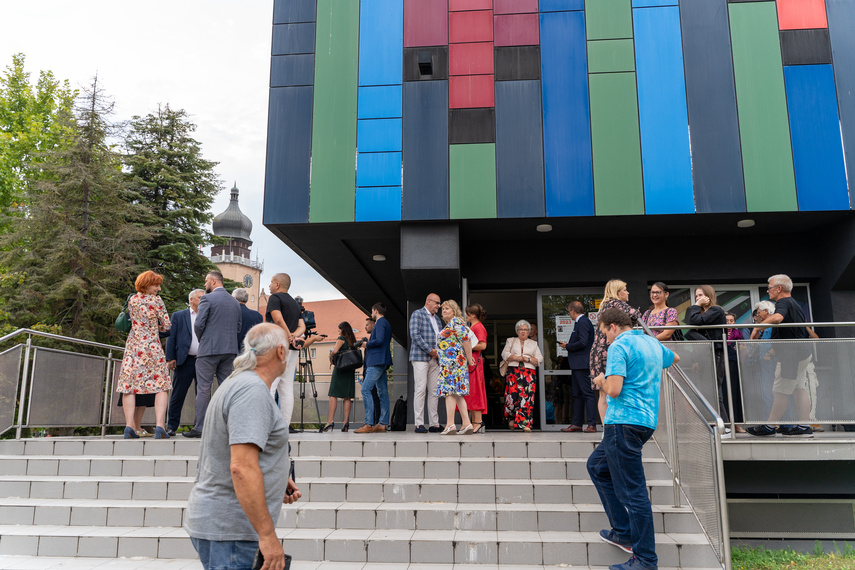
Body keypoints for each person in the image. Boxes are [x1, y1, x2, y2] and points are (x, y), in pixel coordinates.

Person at [184, 323, 301, 570]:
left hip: (226, 527)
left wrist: (276, 478)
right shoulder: (251, 391)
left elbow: (239, 454)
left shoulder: (238, 382)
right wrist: (268, 536)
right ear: (281, 352)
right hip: (233, 532)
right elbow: (241, 467)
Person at [588, 307, 678, 570]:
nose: (604, 339)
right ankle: (623, 531)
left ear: (613, 327)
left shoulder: (620, 346)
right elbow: (675, 358)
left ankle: (645, 559)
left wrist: (601, 380)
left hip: (622, 423)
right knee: (596, 467)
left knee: (634, 494)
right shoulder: (651, 342)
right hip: (645, 422)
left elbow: (614, 390)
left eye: (604, 332)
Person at [747, 274, 814, 438]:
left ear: (779, 288)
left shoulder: (783, 302)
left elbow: (777, 318)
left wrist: (756, 328)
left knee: (780, 391)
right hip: (800, 353)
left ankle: (769, 427)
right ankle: (804, 426)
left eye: (769, 287)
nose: (767, 290)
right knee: (799, 389)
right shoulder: (794, 304)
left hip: (791, 356)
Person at [184, 271, 242, 438]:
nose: (205, 284)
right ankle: (228, 427)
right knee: (227, 389)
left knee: (203, 388)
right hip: (229, 350)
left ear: (214, 281)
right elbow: (238, 327)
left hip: (208, 350)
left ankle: (200, 427)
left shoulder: (207, 299)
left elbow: (199, 324)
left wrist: (204, 341)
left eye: (206, 280)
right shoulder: (234, 302)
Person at [117, 270, 172, 439]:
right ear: (147, 285)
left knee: (129, 386)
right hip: (152, 347)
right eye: (156, 285)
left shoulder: (132, 299)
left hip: (133, 347)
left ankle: (129, 427)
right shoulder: (156, 301)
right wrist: (157, 328)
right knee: (161, 385)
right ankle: (160, 426)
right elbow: (167, 325)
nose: (158, 289)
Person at [590, 280, 641, 422]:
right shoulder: (618, 304)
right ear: (618, 292)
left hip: (596, 353)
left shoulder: (604, 306)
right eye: (625, 289)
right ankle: (617, 426)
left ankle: (606, 430)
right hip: (610, 349)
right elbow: (637, 316)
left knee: (602, 394)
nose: (628, 292)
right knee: (616, 389)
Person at [685, 285, 730, 424]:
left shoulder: (716, 310)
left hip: (716, 353)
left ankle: (724, 424)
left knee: (714, 390)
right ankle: (715, 422)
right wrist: (695, 360)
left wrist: (696, 306)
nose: (698, 299)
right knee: (706, 389)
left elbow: (695, 321)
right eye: (696, 296)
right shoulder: (700, 313)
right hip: (704, 354)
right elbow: (688, 321)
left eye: (700, 295)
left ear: (708, 297)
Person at [266, 273, 306, 428]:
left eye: (271, 282)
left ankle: (268, 425)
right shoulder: (295, 303)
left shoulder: (275, 299)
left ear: (277, 284)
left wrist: (287, 335)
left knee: (270, 385)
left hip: (277, 346)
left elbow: (277, 319)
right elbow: (302, 326)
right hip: (292, 349)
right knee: (286, 387)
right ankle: (284, 425)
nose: (269, 285)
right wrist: (293, 336)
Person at [165, 289, 204, 437]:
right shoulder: (179, 316)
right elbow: (171, 337)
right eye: (200, 298)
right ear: (192, 300)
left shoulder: (207, 316)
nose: (203, 300)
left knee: (202, 395)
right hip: (184, 360)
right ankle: (172, 426)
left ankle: (199, 427)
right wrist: (170, 357)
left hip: (203, 361)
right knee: (177, 395)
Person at [437, 300, 475, 435]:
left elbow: (466, 339)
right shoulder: (451, 324)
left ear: (454, 310)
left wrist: (470, 358)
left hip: (453, 364)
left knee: (450, 393)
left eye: (447, 308)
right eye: (443, 309)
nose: (444, 311)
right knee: (457, 395)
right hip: (450, 364)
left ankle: (450, 424)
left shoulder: (456, 322)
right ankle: (466, 423)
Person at [409, 293, 444, 434]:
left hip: (435, 359)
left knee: (434, 392)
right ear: (428, 301)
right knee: (420, 390)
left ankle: (434, 424)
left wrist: (438, 353)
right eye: (437, 303)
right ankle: (419, 424)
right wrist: (430, 350)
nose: (439, 306)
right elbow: (415, 335)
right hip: (420, 357)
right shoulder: (417, 314)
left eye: (439, 303)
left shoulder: (437, 319)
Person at [560, 301, 597, 433]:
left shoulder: (583, 322)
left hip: (582, 364)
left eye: (569, 311)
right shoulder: (581, 322)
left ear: (572, 310)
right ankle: (577, 423)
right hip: (577, 365)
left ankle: (592, 424)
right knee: (577, 394)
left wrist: (567, 346)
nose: (569, 314)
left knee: (587, 393)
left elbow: (583, 342)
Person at [355, 302, 392, 433]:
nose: (371, 314)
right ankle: (382, 423)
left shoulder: (381, 323)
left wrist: (366, 344)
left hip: (376, 362)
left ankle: (368, 423)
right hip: (382, 361)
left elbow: (380, 340)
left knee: (365, 390)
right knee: (382, 393)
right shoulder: (385, 323)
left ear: (375, 311)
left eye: (372, 312)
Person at [502, 319, 543, 432]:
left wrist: (528, 358)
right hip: (513, 372)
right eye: (521, 330)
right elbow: (504, 354)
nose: (523, 332)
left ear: (529, 331)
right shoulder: (510, 341)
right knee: (512, 396)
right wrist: (515, 357)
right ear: (517, 331)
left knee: (527, 398)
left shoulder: (534, 343)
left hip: (528, 373)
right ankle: (512, 419)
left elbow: (540, 359)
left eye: (525, 330)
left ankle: (525, 424)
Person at [324, 321, 358, 433]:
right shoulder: (352, 341)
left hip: (340, 370)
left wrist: (331, 357)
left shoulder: (341, 339)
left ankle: (330, 421)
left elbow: (335, 351)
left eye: (339, 329)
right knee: (347, 397)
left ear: (343, 330)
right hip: (350, 371)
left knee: (333, 394)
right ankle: (346, 422)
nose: (338, 331)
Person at [464, 303, 488, 433]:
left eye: (467, 314)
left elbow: (482, 345)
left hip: (474, 364)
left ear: (473, 315)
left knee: (475, 391)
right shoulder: (474, 326)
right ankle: (475, 421)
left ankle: (477, 421)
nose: (466, 316)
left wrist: (467, 346)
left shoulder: (478, 327)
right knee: (472, 392)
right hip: (471, 363)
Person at [725, 312, 745, 427]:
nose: (728, 323)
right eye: (726, 320)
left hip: (734, 364)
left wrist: (742, 348)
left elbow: (745, 351)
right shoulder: (719, 333)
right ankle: (727, 423)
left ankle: (737, 423)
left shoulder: (738, 334)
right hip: (722, 364)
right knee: (724, 393)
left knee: (735, 393)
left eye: (731, 321)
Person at [233, 288, 263, 352]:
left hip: (233, 352)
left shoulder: (231, 313)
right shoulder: (258, 315)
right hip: (250, 352)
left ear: (234, 298)